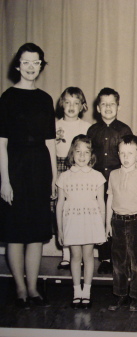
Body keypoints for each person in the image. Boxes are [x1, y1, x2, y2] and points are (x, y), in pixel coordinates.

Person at [0, 43, 57, 308]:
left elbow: (50, 142)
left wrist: (54, 178)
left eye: (36, 63)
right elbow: (1, 143)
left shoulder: (45, 99)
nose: (31, 67)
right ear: (18, 65)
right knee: (15, 233)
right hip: (15, 169)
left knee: (35, 233)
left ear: (41, 65)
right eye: (26, 62)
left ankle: (34, 288)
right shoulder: (8, 97)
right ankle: (20, 289)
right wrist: (4, 180)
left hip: (39, 170)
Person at [56, 135, 106, 309]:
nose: (82, 156)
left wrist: (104, 226)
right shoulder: (64, 177)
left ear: (91, 155)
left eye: (86, 152)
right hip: (72, 222)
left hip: (90, 221)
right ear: (72, 153)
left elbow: (101, 203)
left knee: (88, 256)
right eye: (78, 151)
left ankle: (87, 292)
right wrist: (60, 230)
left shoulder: (97, 176)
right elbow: (60, 204)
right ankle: (77, 292)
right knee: (75, 257)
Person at [87, 87, 133, 274]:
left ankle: (120, 257)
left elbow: (130, 156)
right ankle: (105, 257)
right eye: (103, 104)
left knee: (117, 218)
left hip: (118, 182)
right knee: (100, 217)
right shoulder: (92, 130)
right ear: (97, 108)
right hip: (97, 183)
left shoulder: (124, 129)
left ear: (118, 107)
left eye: (111, 104)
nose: (107, 107)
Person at [106, 135, 137, 312]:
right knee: (118, 262)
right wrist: (107, 224)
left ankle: (136, 297)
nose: (126, 157)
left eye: (130, 153)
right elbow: (109, 199)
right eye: (122, 153)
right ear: (118, 154)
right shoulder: (113, 175)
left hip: (136, 222)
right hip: (117, 221)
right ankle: (120, 295)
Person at [54, 87, 91, 271]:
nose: (71, 106)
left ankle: (82, 254)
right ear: (61, 104)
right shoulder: (54, 125)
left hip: (79, 168)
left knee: (78, 210)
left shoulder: (86, 127)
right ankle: (66, 254)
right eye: (67, 102)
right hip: (60, 167)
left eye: (76, 103)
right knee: (64, 210)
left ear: (82, 106)